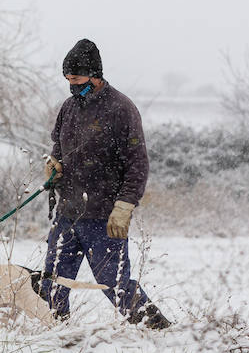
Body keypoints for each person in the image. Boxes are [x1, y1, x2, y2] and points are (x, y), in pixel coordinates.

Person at [40, 38, 170, 329]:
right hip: (68, 212)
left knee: (114, 284)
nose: (71, 84)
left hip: (104, 215)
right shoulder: (69, 108)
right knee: (52, 280)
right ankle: (54, 331)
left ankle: (156, 329)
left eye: (76, 78)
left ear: (94, 75)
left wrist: (124, 206)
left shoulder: (121, 109)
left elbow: (138, 164)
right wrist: (54, 164)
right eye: (67, 79)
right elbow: (58, 147)